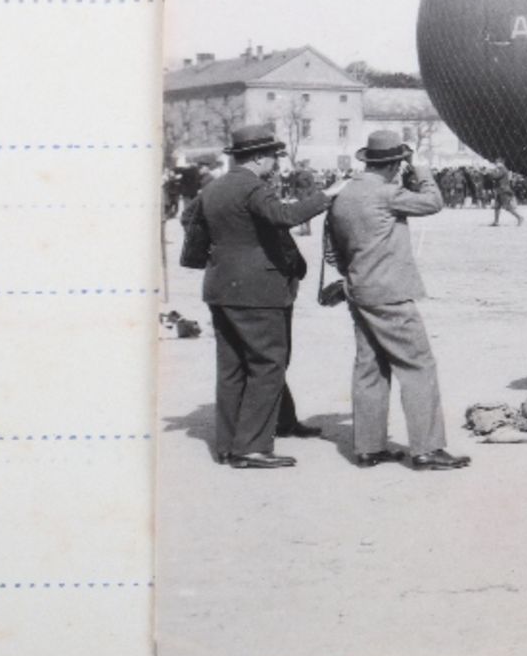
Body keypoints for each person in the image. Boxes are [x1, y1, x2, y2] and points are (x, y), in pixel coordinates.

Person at [180, 123, 330, 469]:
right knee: (267, 364)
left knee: (231, 367)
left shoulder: (213, 187)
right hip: (258, 290)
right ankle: (252, 448)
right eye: (274, 157)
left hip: (219, 285)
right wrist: (327, 195)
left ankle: (229, 445)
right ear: (260, 157)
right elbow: (286, 216)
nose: (276, 163)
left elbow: (189, 219)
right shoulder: (253, 188)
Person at [323, 130, 470, 470]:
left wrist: (352, 276)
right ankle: (427, 449)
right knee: (418, 366)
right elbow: (433, 202)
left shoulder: (344, 194)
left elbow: (334, 249)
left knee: (369, 367)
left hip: (359, 290)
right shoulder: (387, 193)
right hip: (390, 293)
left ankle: (369, 447)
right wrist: (418, 169)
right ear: (394, 163)